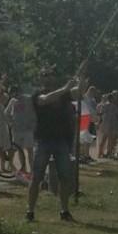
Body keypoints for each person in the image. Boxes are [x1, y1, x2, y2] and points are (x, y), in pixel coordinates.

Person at [26, 61, 86, 223]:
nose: (48, 78)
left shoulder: (64, 94)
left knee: (65, 177)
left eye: (50, 75)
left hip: (61, 141)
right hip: (43, 140)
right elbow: (45, 100)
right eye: (44, 75)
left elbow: (79, 92)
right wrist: (65, 88)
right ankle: (30, 211)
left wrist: (81, 77)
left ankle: (64, 211)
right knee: (36, 177)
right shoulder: (37, 94)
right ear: (40, 78)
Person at [5, 88, 35, 179]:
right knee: (20, 150)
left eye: (16, 93)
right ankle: (23, 168)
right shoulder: (13, 101)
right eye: (12, 94)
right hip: (17, 130)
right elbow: (6, 113)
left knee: (30, 150)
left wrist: (33, 124)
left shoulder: (28, 99)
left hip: (28, 129)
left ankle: (32, 169)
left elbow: (34, 112)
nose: (15, 96)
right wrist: (11, 123)